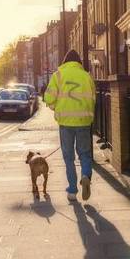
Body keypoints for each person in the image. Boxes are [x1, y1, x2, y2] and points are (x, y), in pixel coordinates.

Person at [44, 50, 95, 201]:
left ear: (65, 61)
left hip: (65, 122)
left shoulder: (58, 75)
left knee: (68, 157)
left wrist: (54, 107)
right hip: (83, 121)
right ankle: (85, 176)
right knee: (85, 154)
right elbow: (93, 98)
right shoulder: (86, 76)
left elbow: (48, 97)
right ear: (79, 62)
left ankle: (72, 190)